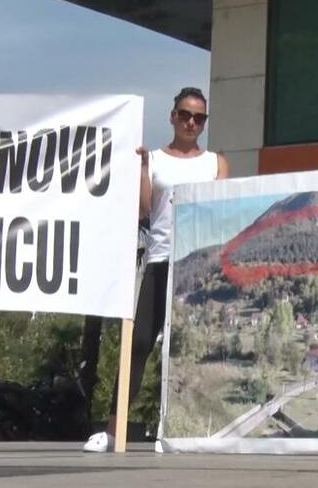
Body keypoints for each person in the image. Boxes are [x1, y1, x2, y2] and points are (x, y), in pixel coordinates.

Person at [84, 87, 228, 452]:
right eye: (185, 115)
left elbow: (221, 213)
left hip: (198, 267)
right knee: (140, 343)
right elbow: (145, 210)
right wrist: (144, 170)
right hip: (161, 260)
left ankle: (191, 431)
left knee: (192, 351)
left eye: (199, 118)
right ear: (173, 117)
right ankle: (113, 430)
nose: (192, 122)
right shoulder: (155, 159)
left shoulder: (216, 163)